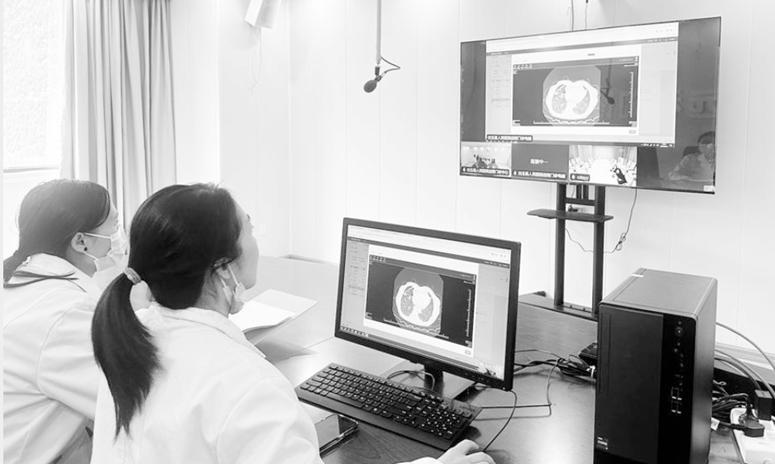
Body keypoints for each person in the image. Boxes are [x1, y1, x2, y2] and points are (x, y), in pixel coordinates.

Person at [90, 183, 494, 464]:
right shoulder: (248, 386)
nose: (256, 239)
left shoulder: (132, 337)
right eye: (249, 229)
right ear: (223, 268)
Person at [3, 179, 128, 464]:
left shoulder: (23, 280)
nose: (120, 236)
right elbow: (125, 401)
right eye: (115, 225)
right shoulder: (64, 314)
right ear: (81, 242)